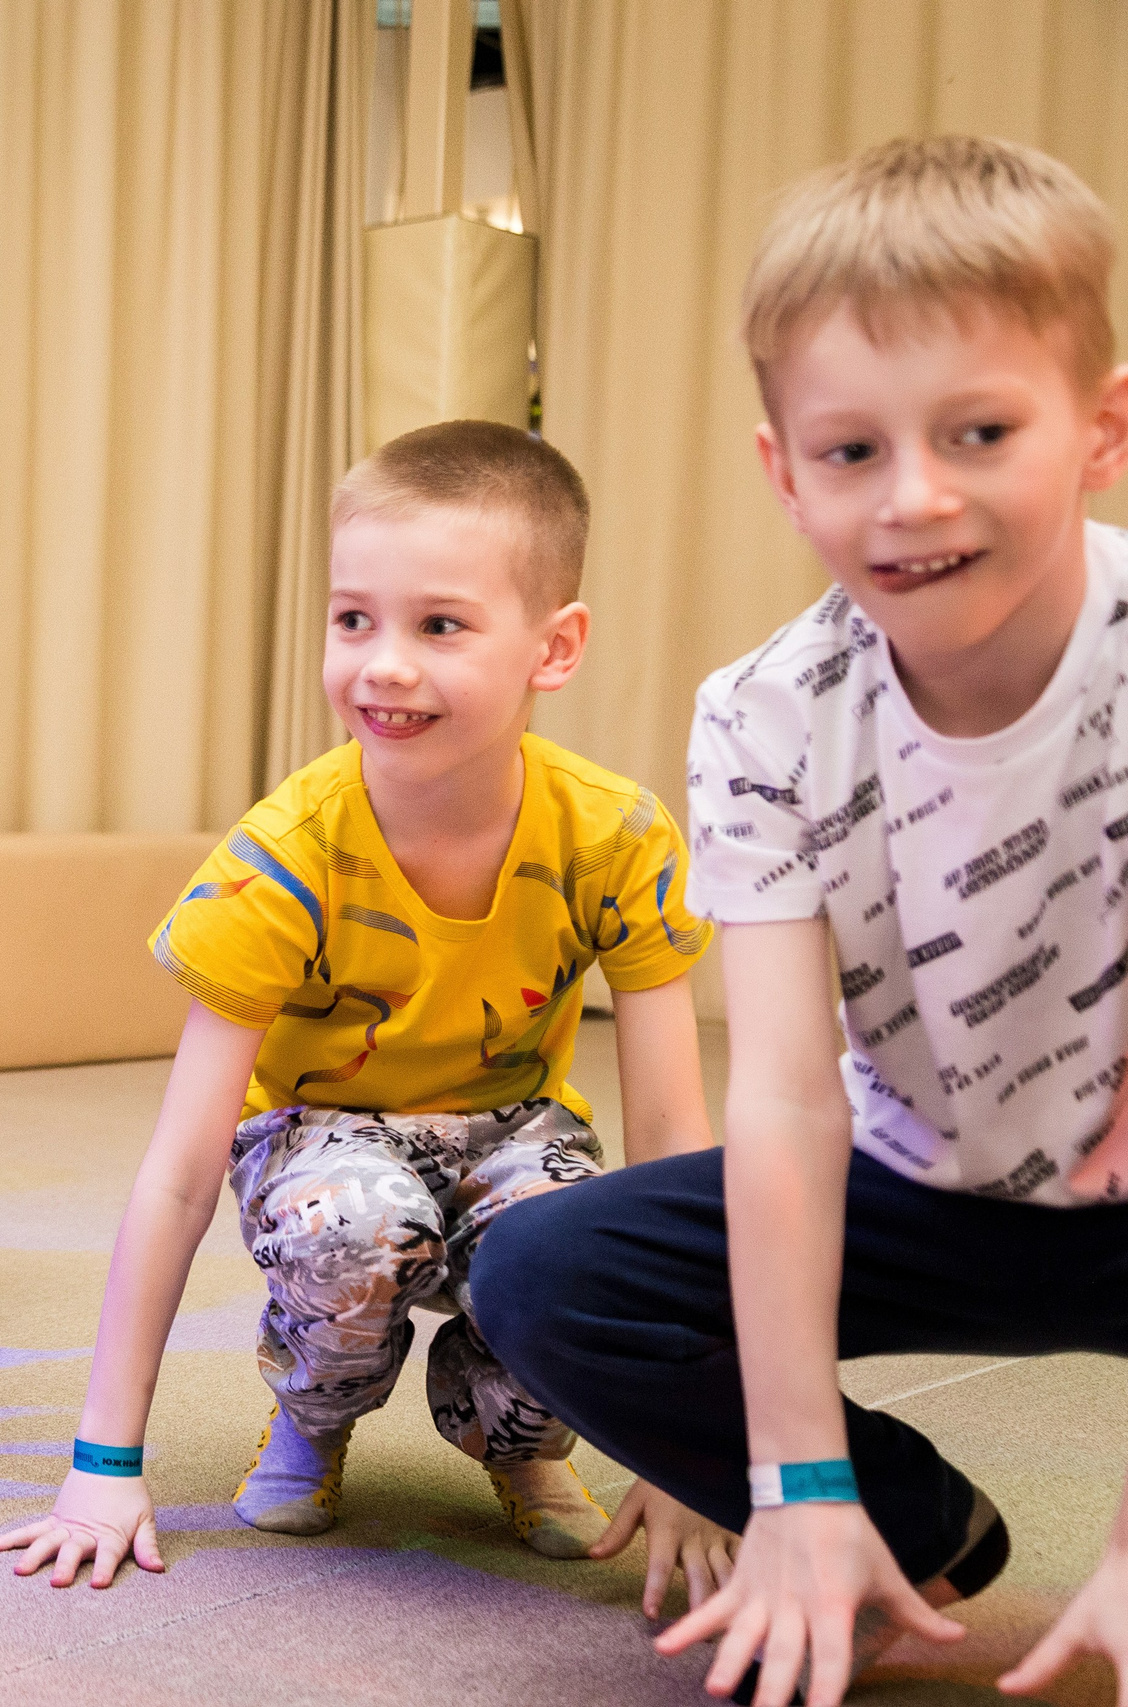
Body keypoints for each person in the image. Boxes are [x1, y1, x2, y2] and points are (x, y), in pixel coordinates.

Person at [471, 135, 1128, 1707]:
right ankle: (909, 1527)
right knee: (544, 1274)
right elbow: (778, 1092)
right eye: (851, 450)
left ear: (1100, 430)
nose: (916, 496)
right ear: (782, 468)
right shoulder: (767, 712)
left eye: (981, 429)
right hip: (917, 1188)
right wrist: (801, 1478)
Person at [0, 420, 730, 1594]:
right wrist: (100, 1461)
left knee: (593, 1245)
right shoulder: (280, 857)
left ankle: (519, 1443)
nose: (383, 663)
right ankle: (312, 1420)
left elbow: (675, 1160)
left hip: (515, 1126)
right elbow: (179, 1171)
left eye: (438, 624)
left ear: (556, 645)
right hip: (323, 1138)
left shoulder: (617, 835)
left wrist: (693, 1446)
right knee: (358, 1223)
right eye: (353, 620)